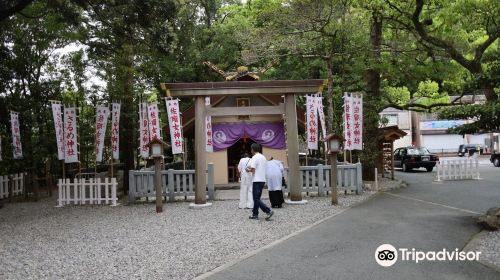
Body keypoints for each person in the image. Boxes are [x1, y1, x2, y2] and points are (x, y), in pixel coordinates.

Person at [246, 143, 274, 221]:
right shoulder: (263, 157)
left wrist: (247, 170)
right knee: (257, 198)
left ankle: (268, 211)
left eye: (251, 149)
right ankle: (255, 214)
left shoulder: (255, 157)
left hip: (256, 180)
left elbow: (253, 170)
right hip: (262, 179)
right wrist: (250, 167)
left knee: (256, 198)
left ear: (253, 149)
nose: (251, 151)